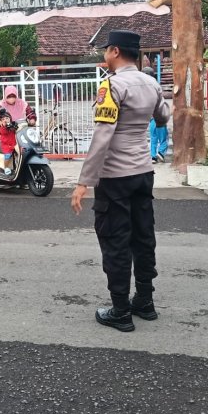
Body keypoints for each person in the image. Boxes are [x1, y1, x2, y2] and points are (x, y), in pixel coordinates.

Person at [71, 30, 170, 333]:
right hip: (143, 173)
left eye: (105, 51)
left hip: (115, 177)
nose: (104, 55)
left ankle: (120, 311)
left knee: (115, 241)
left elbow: (102, 137)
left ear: (115, 51)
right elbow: (164, 117)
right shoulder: (151, 83)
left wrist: (83, 181)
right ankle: (145, 301)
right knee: (142, 237)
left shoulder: (112, 86)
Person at [143, 61, 169, 163]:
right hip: (160, 117)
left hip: (151, 119)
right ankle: (161, 153)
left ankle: (153, 157)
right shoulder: (156, 86)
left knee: (153, 138)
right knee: (163, 139)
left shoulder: (141, 89)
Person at [0, 109, 17, 174]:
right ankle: (6, 167)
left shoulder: (12, 125)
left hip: (13, 143)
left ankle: (15, 167)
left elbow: (16, 129)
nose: (5, 120)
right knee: (7, 155)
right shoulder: (2, 127)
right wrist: (5, 126)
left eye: (7, 118)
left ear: (10, 119)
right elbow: (3, 132)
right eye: (3, 119)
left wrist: (14, 126)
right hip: (6, 145)